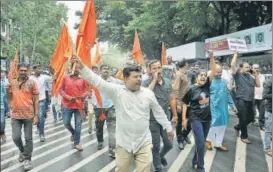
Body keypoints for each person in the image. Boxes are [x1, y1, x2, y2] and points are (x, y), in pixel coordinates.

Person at [72, 56, 174, 172]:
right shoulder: (117, 92)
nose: (139, 79)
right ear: (125, 78)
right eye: (135, 77)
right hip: (124, 143)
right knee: (122, 169)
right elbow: (97, 81)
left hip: (144, 141)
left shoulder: (148, 93)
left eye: (140, 76)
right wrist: (82, 68)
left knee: (145, 168)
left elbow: (159, 112)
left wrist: (168, 127)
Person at [182, 51, 215, 172]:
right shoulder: (191, 89)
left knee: (200, 144)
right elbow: (185, 103)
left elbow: (213, 70)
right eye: (201, 75)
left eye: (204, 76)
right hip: (195, 119)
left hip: (207, 119)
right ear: (196, 77)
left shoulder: (207, 86)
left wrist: (211, 57)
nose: (203, 77)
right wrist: (184, 119)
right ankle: (200, 167)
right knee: (201, 144)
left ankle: (195, 159)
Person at [142, 60, 177, 171]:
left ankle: (160, 156)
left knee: (169, 144)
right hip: (152, 120)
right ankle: (157, 167)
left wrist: (175, 115)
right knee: (155, 145)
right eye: (154, 68)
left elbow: (172, 99)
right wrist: (154, 80)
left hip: (165, 118)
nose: (158, 71)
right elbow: (145, 96)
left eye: (159, 68)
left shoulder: (167, 81)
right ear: (150, 71)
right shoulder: (146, 83)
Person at [7, 63, 39, 171]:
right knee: (15, 137)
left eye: (25, 70)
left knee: (28, 138)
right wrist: (8, 90)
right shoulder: (12, 83)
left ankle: (27, 159)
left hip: (28, 115)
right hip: (15, 115)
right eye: (21, 70)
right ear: (18, 70)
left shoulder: (32, 83)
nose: (23, 72)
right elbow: (9, 97)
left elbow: (36, 100)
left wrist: (36, 115)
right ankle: (22, 151)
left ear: (28, 71)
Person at [92, 64, 122, 158]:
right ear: (100, 71)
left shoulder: (115, 81)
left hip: (111, 107)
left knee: (112, 129)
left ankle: (112, 149)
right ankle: (100, 141)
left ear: (110, 71)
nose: (106, 70)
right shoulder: (95, 80)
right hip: (99, 108)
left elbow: (125, 84)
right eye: (104, 69)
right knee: (99, 127)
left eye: (107, 69)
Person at [59, 62, 90, 151]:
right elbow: (60, 90)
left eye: (78, 68)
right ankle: (73, 133)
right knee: (66, 122)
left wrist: (83, 96)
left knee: (78, 125)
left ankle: (77, 143)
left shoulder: (83, 79)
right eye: (75, 68)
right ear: (71, 68)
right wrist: (68, 97)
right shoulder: (65, 78)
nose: (77, 69)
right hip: (67, 105)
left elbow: (88, 90)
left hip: (79, 105)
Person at [206, 64, 237, 151]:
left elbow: (227, 95)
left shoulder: (224, 82)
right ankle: (208, 140)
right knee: (215, 124)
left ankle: (218, 143)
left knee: (223, 125)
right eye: (217, 72)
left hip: (223, 107)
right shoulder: (210, 82)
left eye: (220, 72)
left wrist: (233, 106)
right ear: (213, 72)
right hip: (214, 107)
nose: (219, 74)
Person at [231, 51, 260, 144]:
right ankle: (244, 137)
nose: (248, 69)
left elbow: (258, 85)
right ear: (241, 68)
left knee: (251, 118)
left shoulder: (251, 77)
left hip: (250, 100)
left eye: (249, 67)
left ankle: (238, 127)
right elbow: (232, 65)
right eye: (246, 67)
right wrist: (235, 54)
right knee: (243, 118)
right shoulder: (238, 75)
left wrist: (256, 76)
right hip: (241, 100)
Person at [173, 58, 192, 150]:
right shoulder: (178, 75)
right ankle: (179, 140)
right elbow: (175, 90)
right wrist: (178, 103)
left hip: (188, 102)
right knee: (179, 123)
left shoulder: (186, 73)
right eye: (187, 63)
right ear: (185, 64)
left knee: (191, 121)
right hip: (181, 102)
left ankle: (185, 135)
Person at [30, 64, 51, 142]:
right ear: (34, 69)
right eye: (39, 68)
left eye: (41, 69)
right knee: (37, 117)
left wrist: (52, 69)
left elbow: (53, 78)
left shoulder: (44, 77)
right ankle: (39, 128)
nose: (40, 70)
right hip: (32, 101)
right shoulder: (30, 78)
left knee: (41, 117)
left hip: (42, 100)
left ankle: (42, 134)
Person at [252, 64, 265, 130]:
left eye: (257, 68)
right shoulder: (251, 76)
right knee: (252, 111)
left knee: (262, 111)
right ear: (252, 69)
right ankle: (253, 121)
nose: (256, 69)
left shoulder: (262, 76)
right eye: (255, 68)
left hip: (261, 97)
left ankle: (261, 124)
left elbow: (264, 85)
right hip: (253, 97)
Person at [263, 80, 272, 157]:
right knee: (268, 130)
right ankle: (267, 148)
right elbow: (264, 95)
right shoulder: (269, 82)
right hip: (270, 110)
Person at [0, 72, 8, 141]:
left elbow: (5, 96)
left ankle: (2, 133)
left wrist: (7, 109)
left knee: (2, 121)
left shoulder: (2, 83)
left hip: (1, 106)